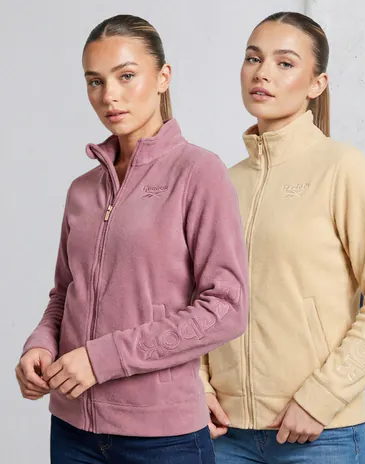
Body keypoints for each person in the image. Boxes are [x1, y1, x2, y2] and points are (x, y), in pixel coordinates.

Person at [14, 14, 249, 463]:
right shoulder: (83, 190)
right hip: (72, 431)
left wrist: (102, 359)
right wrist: (41, 343)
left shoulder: (199, 173)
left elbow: (226, 308)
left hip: (163, 438)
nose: (109, 96)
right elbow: (64, 294)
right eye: (95, 81)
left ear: (163, 77)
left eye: (126, 76)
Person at [202, 12, 365, 464]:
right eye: (253, 58)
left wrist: (321, 397)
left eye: (284, 63)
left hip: (320, 436)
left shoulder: (343, 168)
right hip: (224, 434)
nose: (262, 73)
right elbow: (197, 297)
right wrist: (196, 387)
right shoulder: (221, 182)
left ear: (317, 84)